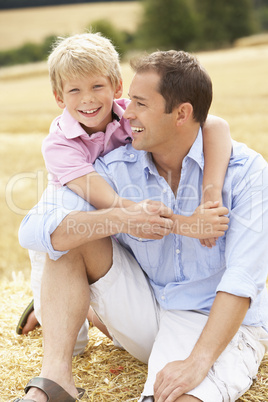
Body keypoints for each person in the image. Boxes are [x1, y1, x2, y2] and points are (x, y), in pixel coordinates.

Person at [16, 49, 268, 402]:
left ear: (181, 114)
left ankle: (74, 307)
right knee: (71, 234)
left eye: (139, 103)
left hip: (211, 321)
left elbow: (242, 280)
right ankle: (56, 380)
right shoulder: (113, 166)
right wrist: (120, 217)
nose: (124, 112)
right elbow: (33, 230)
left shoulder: (246, 173)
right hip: (148, 307)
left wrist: (198, 361)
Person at [17, 32, 232, 336]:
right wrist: (186, 224)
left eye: (97, 86)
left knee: (116, 318)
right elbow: (111, 204)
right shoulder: (59, 145)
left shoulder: (131, 114)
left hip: (117, 222)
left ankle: (88, 307)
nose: (88, 99)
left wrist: (210, 199)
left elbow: (215, 125)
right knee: (69, 335)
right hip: (74, 218)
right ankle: (48, 306)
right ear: (58, 97)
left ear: (116, 86)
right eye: (74, 90)